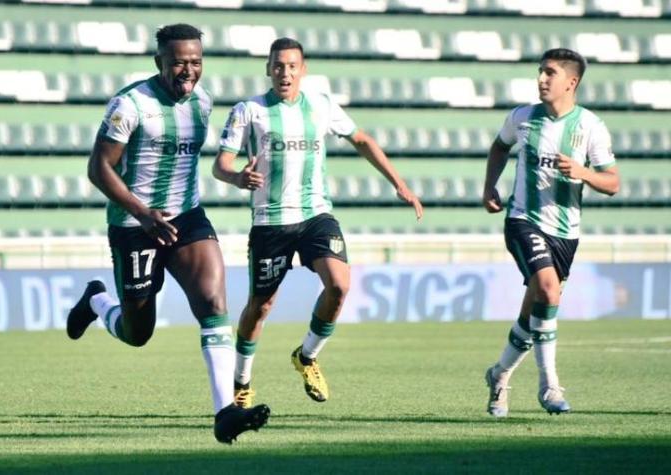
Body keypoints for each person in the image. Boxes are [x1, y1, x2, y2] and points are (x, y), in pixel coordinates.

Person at [65, 23, 270, 444]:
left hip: (187, 217)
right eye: (179, 61)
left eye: (196, 61)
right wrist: (142, 214)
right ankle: (97, 300)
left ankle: (225, 413)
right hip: (134, 225)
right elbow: (98, 168)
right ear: (160, 61)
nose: (188, 70)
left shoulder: (203, 103)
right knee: (138, 333)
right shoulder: (129, 105)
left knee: (214, 302)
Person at [212, 38, 423, 408]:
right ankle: (241, 382)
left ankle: (307, 355)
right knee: (260, 307)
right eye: (278, 65)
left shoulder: (321, 106)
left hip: (315, 216)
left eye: (292, 66)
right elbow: (221, 164)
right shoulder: (250, 111)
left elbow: (361, 139)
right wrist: (237, 179)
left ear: (303, 70)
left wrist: (399, 183)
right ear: (268, 69)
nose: (285, 72)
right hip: (270, 222)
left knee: (340, 285)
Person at [482, 48, 619, 417]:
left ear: (571, 82)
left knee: (535, 311)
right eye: (540, 72)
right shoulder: (522, 118)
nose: (541, 79)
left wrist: (584, 172)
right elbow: (499, 146)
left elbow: (613, 182)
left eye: (550, 73)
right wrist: (489, 186)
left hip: (566, 233)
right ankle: (550, 385)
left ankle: (499, 375)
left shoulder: (590, 127)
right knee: (547, 288)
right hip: (523, 220)